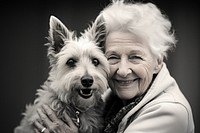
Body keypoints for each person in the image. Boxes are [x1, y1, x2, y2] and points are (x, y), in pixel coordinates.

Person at [33, 0, 195, 133]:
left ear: (158, 61)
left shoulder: (169, 113)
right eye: (113, 57)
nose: (123, 71)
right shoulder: (106, 98)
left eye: (135, 57)